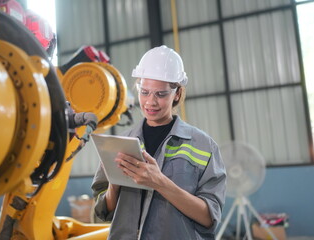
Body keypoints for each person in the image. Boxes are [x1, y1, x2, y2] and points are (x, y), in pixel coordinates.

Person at [91, 45, 226, 240]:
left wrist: (160, 183)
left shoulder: (204, 146)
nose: (150, 102)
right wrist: (114, 183)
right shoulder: (120, 143)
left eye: (160, 94)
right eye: (144, 92)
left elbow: (209, 218)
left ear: (177, 94)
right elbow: (102, 211)